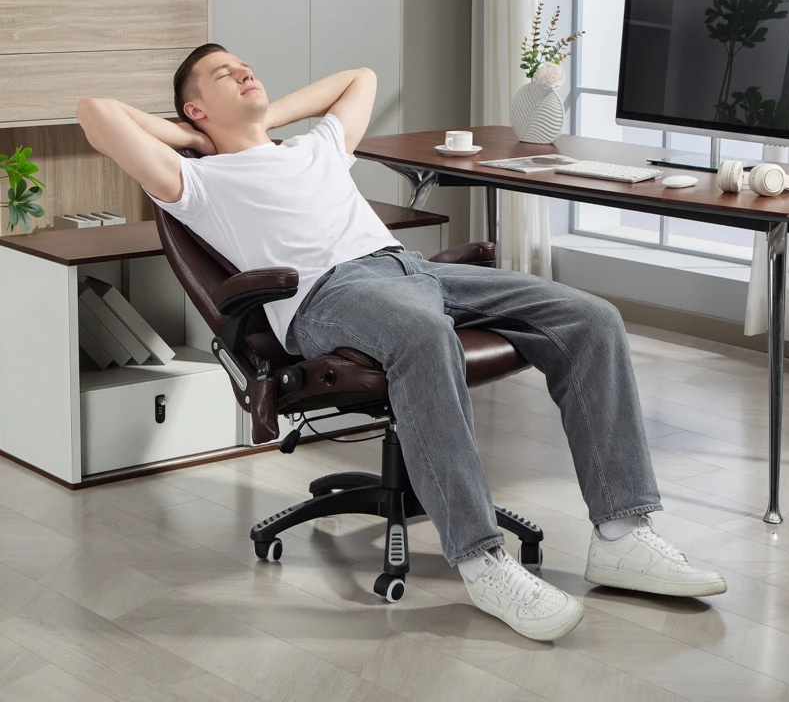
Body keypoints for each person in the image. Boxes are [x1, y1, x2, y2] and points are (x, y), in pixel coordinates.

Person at [76, 43, 727, 643]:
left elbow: (360, 78)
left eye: (245, 64)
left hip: (409, 268)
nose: (245, 71)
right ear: (194, 108)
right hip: (327, 295)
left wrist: (260, 115)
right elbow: (95, 112)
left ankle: (621, 531)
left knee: (591, 318)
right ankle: (481, 561)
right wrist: (192, 138)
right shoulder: (199, 183)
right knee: (423, 335)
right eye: (224, 74)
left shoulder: (314, 147)